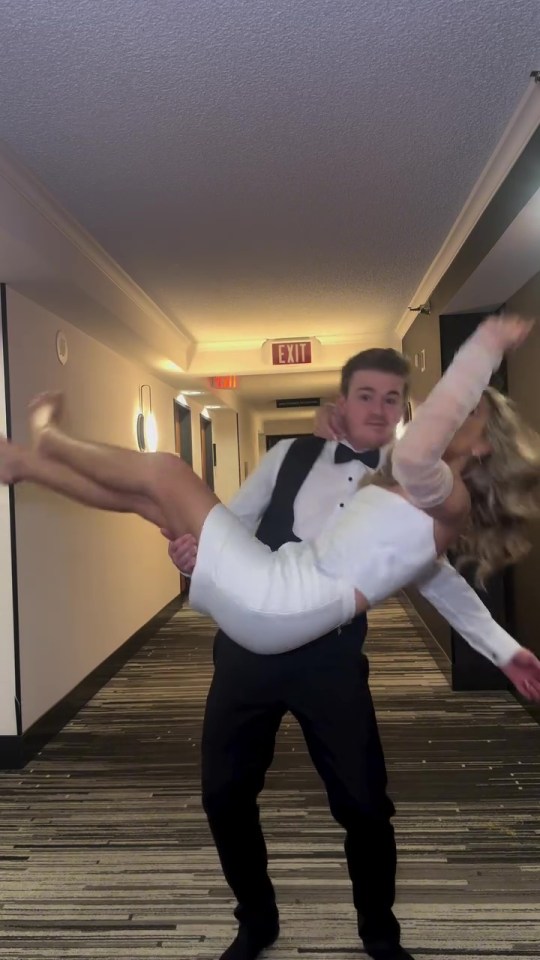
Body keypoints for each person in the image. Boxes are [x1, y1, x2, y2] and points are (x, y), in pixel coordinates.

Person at [2, 315, 540, 960]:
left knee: (365, 806)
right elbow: (227, 521)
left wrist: (483, 347)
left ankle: (380, 934)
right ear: (341, 403)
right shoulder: (337, 467)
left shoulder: (432, 486)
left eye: (394, 397)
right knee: (157, 502)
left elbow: (440, 575)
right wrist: (195, 553)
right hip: (263, 610)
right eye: (364, 395)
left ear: (418, 416)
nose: (384, 408)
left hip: (315, 638)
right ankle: (30, 463)